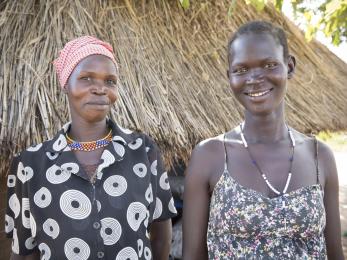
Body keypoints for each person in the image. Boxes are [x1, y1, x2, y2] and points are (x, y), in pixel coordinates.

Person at [5, 36, 177, 260]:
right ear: (66, 84)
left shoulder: (143, 152)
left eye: (110, 81)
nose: (100, 89)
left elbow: (161, 237)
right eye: (86, 78)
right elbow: (25, 251)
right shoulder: (30, 165)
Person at [182, 21, 343, 259]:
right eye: (241, 70)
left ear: (289, 67)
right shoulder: (210, 156)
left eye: (269, 65)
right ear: (229, 77)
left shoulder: (319, 155)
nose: (255, 78)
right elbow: (193, 256)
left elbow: (335, 254)